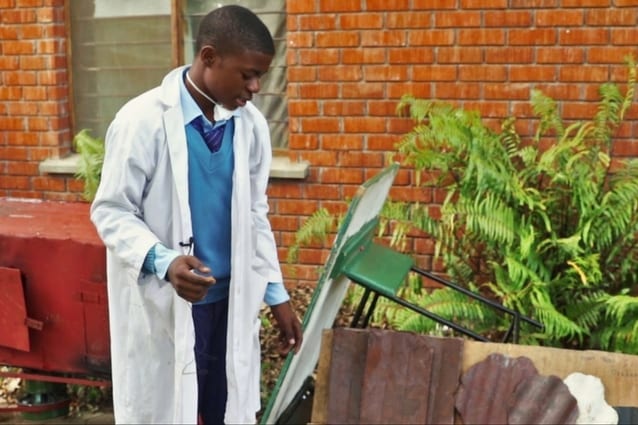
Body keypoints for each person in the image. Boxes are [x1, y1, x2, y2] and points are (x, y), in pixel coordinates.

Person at [90, 5, 303, 424]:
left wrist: (276, 296)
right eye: (247, 74)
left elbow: (256, 217)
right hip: (169, 304)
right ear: (209, 58)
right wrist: (164, 260)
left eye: (260, 75)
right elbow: (112, 211)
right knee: (172, 410)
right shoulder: (141, 122)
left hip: (231, 303)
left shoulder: (250, 126)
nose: (257, 86)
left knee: (225, 410)